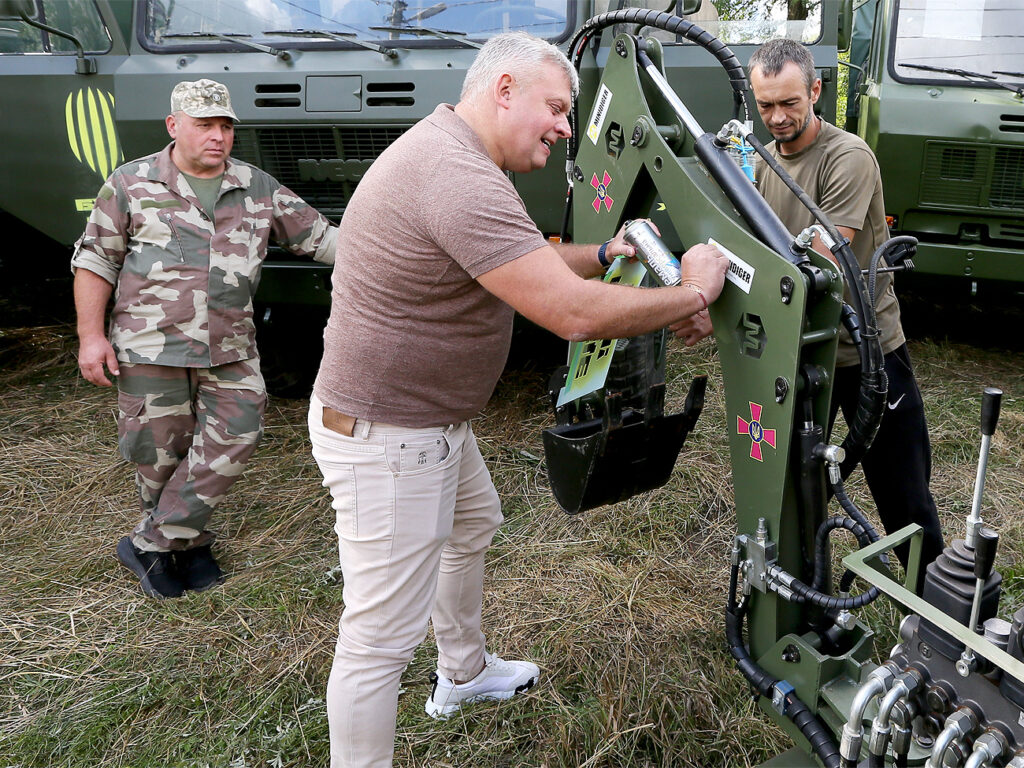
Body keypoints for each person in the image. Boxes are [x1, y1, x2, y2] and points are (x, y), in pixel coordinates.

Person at [308, 31, 728, 768]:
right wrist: (692, 291)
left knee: (472, 524)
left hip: (425, 420)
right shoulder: (455, 173)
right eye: (558, 108)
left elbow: (521, 259)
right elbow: (572, 313)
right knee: (378, 641)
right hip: (392, 434)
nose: (567, 127)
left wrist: (605, 253)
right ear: (504, 89)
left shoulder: (455, 154)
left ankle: (464, 673)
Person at [72, 79, 338, 599]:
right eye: (204, 125)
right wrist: (90, 337)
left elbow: (324, 239)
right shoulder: (132, 183)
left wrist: (403, 251)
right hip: (150, 344)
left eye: (225, 126)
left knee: (238, 433)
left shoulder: (256, 185)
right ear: (174, 126)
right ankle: (184, 547)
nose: (217, 136)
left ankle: (152, 542)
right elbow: (96, 259)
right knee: (157, 455)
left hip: (230, 345)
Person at [748, 39, 943, 572]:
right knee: (791, 489)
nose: (778, 117)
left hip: (865, 354)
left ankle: (942, 621)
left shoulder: (847, 157)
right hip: (801, 352)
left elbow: (820, 256)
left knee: (903, 497)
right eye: (765, 105)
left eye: (789, 102)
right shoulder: (766, 163)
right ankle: (803, 595)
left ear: (815, 91)